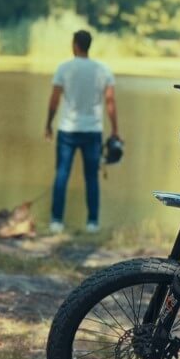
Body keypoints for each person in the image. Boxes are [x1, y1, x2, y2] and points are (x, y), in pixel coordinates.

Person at [44, 30, 119, 234]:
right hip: (92, 131)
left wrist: (48, 124)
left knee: (61, 174)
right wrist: (115, 131)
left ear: (75, 45)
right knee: (91, 178)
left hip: (67, 129)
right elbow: (110, 102)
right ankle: (92, 223)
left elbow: (54, 99)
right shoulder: (103, 70)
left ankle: (56, 221)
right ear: (89, 45)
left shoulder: (64, 68)